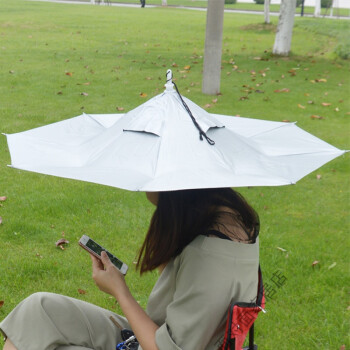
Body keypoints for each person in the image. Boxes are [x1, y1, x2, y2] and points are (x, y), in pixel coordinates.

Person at [0, 188, 260, 350]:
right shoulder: (232, 220)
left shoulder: (206, 258)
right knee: (40, 309)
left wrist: (120, 292)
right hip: (149, 336)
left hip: (152, 343)